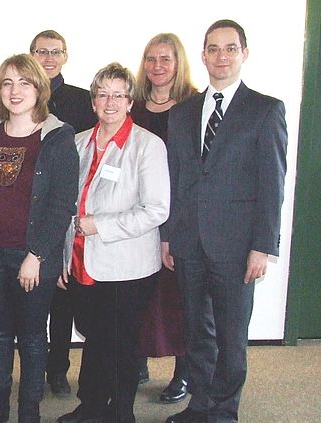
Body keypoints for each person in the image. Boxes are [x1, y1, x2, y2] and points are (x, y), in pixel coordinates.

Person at [162, 20, 287, 423]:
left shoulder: (265, 110)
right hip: (189, 241)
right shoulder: (182, 113)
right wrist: (168, 237)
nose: (221, 56)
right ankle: (200, 402)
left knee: (232, 336)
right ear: (203, 56)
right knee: (196, 330)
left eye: (230, 48)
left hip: (237, 247)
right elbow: (176, 179)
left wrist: (263, 246)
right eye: (213, 49)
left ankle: (222, 417)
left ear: (244, 54)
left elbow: (272, 183)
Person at [56, 63, 170, 423]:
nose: (110, 102)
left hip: (127, 266)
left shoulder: (147, 146)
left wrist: (99, 225)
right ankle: (91, 404)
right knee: (94, 335)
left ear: (130, 101)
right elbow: (64, 205)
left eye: (118, 95)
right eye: (103, 94)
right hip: (81, 261)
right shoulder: (77, 143)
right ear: (92, 101)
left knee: (120, 343)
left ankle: (120, 417)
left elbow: (156, 210)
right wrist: (62, 258)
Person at [0, 54, 79, 423]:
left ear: (40, 88)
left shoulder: (57, 136)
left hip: (34, 257)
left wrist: (35, 255)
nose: (15, 91)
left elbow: (62, 205)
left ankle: (29, 413)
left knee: (34, 339)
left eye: (24, 82)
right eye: (7, 83)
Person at [131, 33, 198, 403]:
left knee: (179, 300)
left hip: (179, 216)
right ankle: (137, 360)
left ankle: (183, 372)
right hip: (137, 216)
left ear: (178, 63)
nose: (157, 66)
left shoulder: (194, 106)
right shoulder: (133, 106)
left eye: (165, 59)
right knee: (141, 294)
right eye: (151, 59)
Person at [29, 29, 95, 396]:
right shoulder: (21, 95)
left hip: (66, 207)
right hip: (29, 209)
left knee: (63, 297)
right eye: (42, 51)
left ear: (65, 56)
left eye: (55, 51)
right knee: (33, 298)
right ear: (32, 55)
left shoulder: (82, 100)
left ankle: (57, 368)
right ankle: (35, 367)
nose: (49, 58)